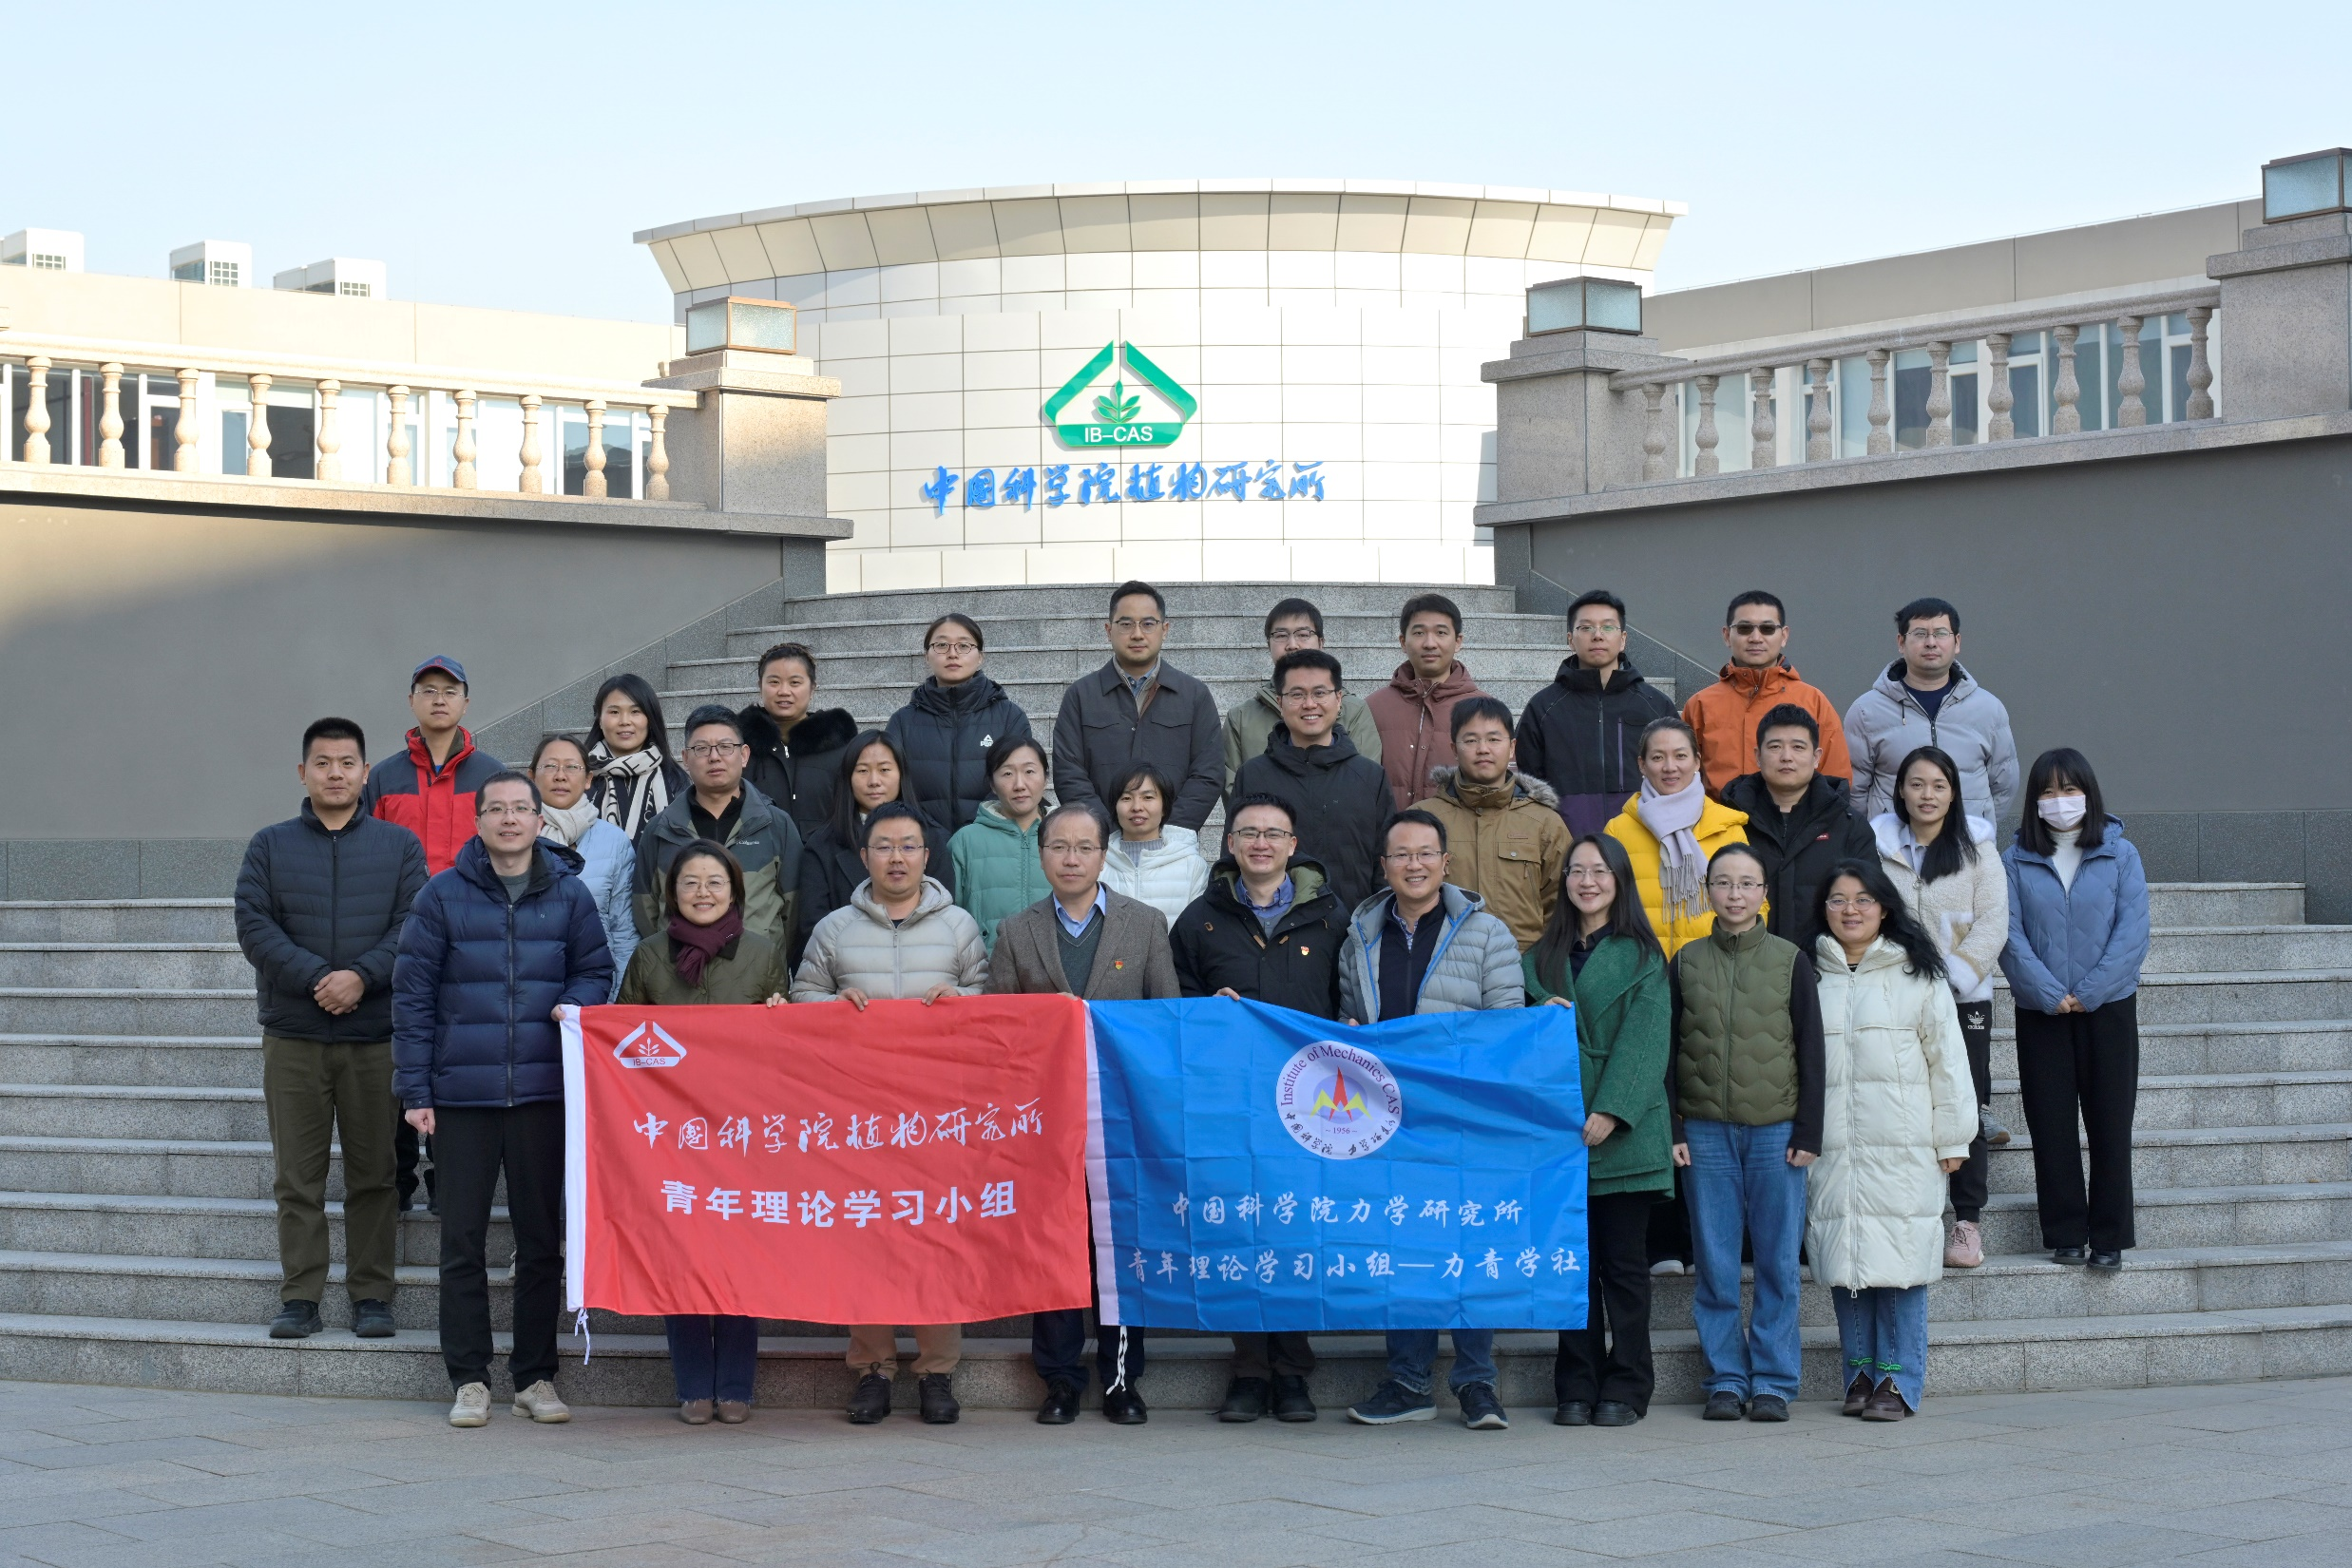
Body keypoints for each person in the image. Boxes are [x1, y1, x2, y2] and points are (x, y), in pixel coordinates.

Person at [393, 771, 614, 1429]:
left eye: (521, 809)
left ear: (540, 822)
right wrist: (415, 1090)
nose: (510, 819)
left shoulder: (569, 894)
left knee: (540, 1241)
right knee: (460, 1240)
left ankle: (535, 1376)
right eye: (497, 809)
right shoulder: (441, 896)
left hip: (544, 1093)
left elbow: (596, 970)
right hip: (462, 1097)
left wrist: (573, 1003)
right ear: (479, 821)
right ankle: (468, 1379)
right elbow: (412, 997)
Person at [791, 802, 989, 1425]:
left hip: (937, 1113)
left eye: (908, 846)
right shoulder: (834, 928)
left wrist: (961, 999)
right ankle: (872, 1368)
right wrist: (830, 1005)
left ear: (927, 856)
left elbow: (987, 997)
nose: (896, 858)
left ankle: (935, 1372)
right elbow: (802, 994)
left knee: (937, 1238)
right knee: (866, 1239)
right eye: (884, 846)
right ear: (864, 856)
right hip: (860, 1113)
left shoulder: (958, 925)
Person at [234, 717, 427, 1344]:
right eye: (323, 763)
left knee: (375, 1174)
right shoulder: (270, 846)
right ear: (303, 773)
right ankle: (300, 1296)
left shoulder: (399, 847)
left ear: (366, 773)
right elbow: (254, 927)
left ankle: (372, 1294)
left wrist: (361, 978)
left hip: (374, 1037)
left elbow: (413, 926)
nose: (335, 773)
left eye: (347, 763)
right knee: (298, 1178)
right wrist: (321, 978)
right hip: (295, 1036)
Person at [987, 800, 1178, 1426]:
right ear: (1041, 854)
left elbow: (1164, 1022)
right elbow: (999, 1032)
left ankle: (1121, 1380)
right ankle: (1060, 1380)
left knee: (1119, 1247)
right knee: (1054, 1247)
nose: (1071, 858)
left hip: (1121, 1117)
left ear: (1103, 854)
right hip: (1046, 1121)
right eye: (1058, 846)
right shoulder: (1016, 931)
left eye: (1084, 847)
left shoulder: (1144, 925)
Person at [1338, 812, 1525, 1431]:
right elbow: (1347, 1022)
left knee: (1469, 1244)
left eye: (1425, 853)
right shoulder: (1360, 937)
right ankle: (1408, 1381)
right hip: (1389, 1123)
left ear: (1446, 863)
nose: (1413, 865)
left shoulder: (1487, 933)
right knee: (1403, 1245)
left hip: (1464, 1118)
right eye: (1401, 854)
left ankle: (1477, 1383)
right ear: (1384, 866)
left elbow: (1507, 1028)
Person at [1169, 794, 1348, 1424]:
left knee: (1295, 1232)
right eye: (1249, 833)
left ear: (1293, 845)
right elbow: (1176, 1002)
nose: (1261, 843)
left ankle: (1293, 1372)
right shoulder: (1200, 920)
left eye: (1274, 833)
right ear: (1231, 843)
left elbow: (1349, 996)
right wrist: (1206, 1011)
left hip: (1311, 1103)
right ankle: (1248, 1370)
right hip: (1231, 1102)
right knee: (1239, 1232)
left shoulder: (1330, 916)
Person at [616, 840, 790, 1425]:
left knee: (739, 1256)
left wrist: (780, 1012)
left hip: (743, 1131)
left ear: (735, 891)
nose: (703, 893)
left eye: (715, 882)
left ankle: (736, 1385)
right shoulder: (649, 955)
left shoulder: (763, 953)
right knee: (682, 1256)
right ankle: (693, 1385)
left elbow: (785, 1040)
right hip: (673, 1135)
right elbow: (623, 1039)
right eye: (690, 882)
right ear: (672, 893)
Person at [1809, 861, 1976, 1421]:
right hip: (1834, 1144)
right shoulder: (1808, 976)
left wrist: (1954, 1137)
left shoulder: (1917, 974)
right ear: (1823, 910)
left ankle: (1899, 1381)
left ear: (1884, 909)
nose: (1850, 910)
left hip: (1905, 1144)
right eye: (1838, 899)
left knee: (1902, 1263)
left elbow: (1948, 1059)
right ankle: (1859, 1373)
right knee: (1846, 1258)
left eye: (1863, 899)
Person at [1523, 832, 1673, 1427]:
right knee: (1572, 1268)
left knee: (1624, 1269)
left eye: (1600, 871)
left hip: (1624, 1131)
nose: (1587, 882)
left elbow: (1647, 1040)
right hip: (1560, 1131)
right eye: (1577, 871)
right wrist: (1537, 1016)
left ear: (1619, 881)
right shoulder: (1539, 957)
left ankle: (1629, 1385)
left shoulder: (1643, 955)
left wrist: (1612, 1109)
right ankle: (1576, 1383)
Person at [1673, 842, 1825, 1424]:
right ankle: (1726, 1379)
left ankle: (1774, 1382)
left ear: (1763, 893)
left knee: (1778, 1262)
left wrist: (1809, 1129)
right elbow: (1668, 1048)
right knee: (1715, 1263)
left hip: (1776, 1131)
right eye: (1723, 882)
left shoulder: (1790, 960)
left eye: (1746, 884)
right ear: (1707, 890)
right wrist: (1674, 1124)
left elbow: (1812, 1049)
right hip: (1705, 1131)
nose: (1734, 894)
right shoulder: (1685, 961)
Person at [2001, 749, 2150, 1272]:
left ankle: (2110, 1235)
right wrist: (2047, 992)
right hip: (2041, 1010)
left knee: (2111, 1123)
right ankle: (2065, 1232)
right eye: (2047, 792)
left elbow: (2133, 933)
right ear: (2033, 801)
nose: (2059, 801)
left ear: (2088, 793)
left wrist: (2090, 991)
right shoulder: (2014, 859)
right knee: (2051, 1124)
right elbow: (2008, 934)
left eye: (2069, 790)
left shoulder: (2121, 855)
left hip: (2108, 1008)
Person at [1874, 746, 2011, 1270]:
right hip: (1895, 995)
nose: (1927, 795)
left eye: (1938, 785)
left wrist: (1954, 976)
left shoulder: (1977, 850)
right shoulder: (1879, 847)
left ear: (1953, 793)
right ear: (1900, 790)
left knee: (1965, 1103)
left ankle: (1967, 1221)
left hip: (1962, 997)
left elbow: (1994, 921)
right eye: (1916, 784)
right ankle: (1911, 1215)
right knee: (1902, 1101)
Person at [1232, 649, 1393, 915]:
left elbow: (1386, 864)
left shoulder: (1370, 776)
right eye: (1297, 695)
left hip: (1353, 925)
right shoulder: (1253, 775)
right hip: (1271, 927)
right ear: (1280, 702)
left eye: (1320, 693)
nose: (1309, 704)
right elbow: (1233, 859)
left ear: (1338, 699)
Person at [1052, 581, 1223, 832]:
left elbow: (1208, 774)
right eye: (1126, 624)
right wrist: (1104, 834)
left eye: (1148, 623)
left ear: (1165, 629)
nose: (1137, 634)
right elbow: (1069, 773)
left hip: (1174, 846)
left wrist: (1169, 834)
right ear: (1108, 630)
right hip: (1102, 846)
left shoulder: (1194, 695)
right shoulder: (1081, 696)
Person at [630, 707, 801, 956]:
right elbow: (646, 910)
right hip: (678, 970)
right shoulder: (660, 829)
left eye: (725, 747)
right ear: (685, 758)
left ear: (744, 755)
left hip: (756, 970)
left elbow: (794, 909)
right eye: (701, 748)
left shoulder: (776, 824)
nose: (714, 757)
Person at [1411, 696, 1569, 952]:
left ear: (1512, 747)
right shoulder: (1422, 819)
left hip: (1522, 963)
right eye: (1471, 740)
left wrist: (1542, 963)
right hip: (1442, 961)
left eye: (1494, 739)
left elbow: (1560, 904)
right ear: (1454, 748)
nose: (1483, 749)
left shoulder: (1544, 822)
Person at [1517, 590, 1676, 839]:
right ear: (1571, 639)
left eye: (1608, 627)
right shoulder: (1543, 708)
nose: (1598, 635)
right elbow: (1529, 783)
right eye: (1586, 627)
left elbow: (1677, 774)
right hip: (1569, 843)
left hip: (1644, 840)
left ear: (1623, 639)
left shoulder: (1655, 705)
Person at [1845, 597, 2019, 822]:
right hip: (1894, 841)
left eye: (1940, 633)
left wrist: (1977, 824)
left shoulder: (1989, 709)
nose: (1930, 643)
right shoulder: (1866, 711)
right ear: (1901, 642)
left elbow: (2004, 785)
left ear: (1957, 642)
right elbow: (1855, 790)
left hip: (1967, 840)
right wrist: (1879, 832)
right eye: (1920, 634)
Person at [1719, 705, 1875, 949]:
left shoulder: (1849, 826)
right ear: (1757, 756)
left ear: (1816, 756)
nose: (1786, 757)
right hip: (1742, 961)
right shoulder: (1729, 821)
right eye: (1775, 747)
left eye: (1798, 747)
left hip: (1825, 964)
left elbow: (1869, 905)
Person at [796, 732, 953, 956]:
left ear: (901, 774)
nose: (874, 781)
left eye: (884, 769)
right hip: (848, 968)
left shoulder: (934, 838)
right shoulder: (822, 846)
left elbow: (945, 917)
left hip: (922, 962)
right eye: (862, 771)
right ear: (848, 777)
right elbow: (813, 929)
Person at [1682, 591, 1853, 797]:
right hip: (1717, 818)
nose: (1756, 638)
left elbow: (1835, 783)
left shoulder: (1814, 702)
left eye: (1767, 629)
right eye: (1744, 629)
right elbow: (1682, 780)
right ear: (1727, 635)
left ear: (1784, 635)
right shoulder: (1700, 705)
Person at [1605, 717, 1751, 957]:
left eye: (1681, 756)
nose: (1670, 767)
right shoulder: (1618, 831)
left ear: (1697, 761)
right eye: (1657, 757)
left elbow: (1754, 903)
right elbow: (1604, 909)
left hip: (1712, 967)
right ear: (1642, 764)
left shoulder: (1727, 828)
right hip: (1640, 968)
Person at [887, 613, 1033, 832]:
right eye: (942, 645)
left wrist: (975, 833)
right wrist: (929, 834)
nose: (952, 653)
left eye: (964, 646)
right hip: (921, 842)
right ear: (927, 656)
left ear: (980, 656)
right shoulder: (902, 722)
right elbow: (892, 789)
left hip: (991, 839)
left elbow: (1019, 783)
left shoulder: (1009, 717)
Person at [365, 656, 505, 875]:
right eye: (429, 691)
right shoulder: (383, 778)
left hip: (474, 896)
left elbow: (507, 848)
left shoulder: (493, 776)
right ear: (411, 700)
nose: (439, 700)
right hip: (404, 897)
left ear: (465, 704)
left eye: (450, 692)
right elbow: (367, 850)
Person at [1221, 597, 1382, 785]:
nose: (1292, 644)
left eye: (1303, 634)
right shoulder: (1241, 717)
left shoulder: (1354, 710)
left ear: (1321, 642)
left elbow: (1365, 782)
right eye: (1281, 635)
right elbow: (1234, 789)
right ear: (1268, 644)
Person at [532, 735, 637, 1000]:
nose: (560, 776)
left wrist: (621, 998)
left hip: (596, 987)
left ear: (588, 779)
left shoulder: (614, 841)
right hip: (531, 983)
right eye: (550, 766)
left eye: (571, 767)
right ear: (531, 776)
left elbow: (623, 929)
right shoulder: (516, 837)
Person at [1367, 592, 1489, 810]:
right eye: (1419, 633)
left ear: (1458, 641)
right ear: (1403, 642)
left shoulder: (1484, 709)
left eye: (1441, 632)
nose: (1430, 643)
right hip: (1389, 829)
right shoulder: (1373, 707)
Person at [739, 642, 858, 838]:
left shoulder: (841, 747)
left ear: (812, 688)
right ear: (760, 686)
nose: (784, 691)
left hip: (826, 854)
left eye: (795, 682)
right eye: (774, 682)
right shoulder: (738, 746)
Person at [948, 735, 1051, 949]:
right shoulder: (965, 842)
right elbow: (947, 918)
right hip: (986, 966)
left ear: (1046, 778)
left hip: (1056, 966)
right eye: (1007, 773)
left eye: (1029, 771)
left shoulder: (1068, 838)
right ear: (992, 784)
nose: (1019, 785)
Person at [1099, 762, 1209, 927]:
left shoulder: (1192, 866)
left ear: (1164, 806)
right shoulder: (1097, 863)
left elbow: (1198, 932)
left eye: (1148, 797)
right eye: (1126, 798)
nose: (1137, 807)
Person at [583, 673, 688, 845]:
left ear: (650, 719)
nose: (625, 721)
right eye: (614, 712)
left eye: (635, 712)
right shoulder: (580, 776)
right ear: (599, 720)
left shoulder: (674, 779)